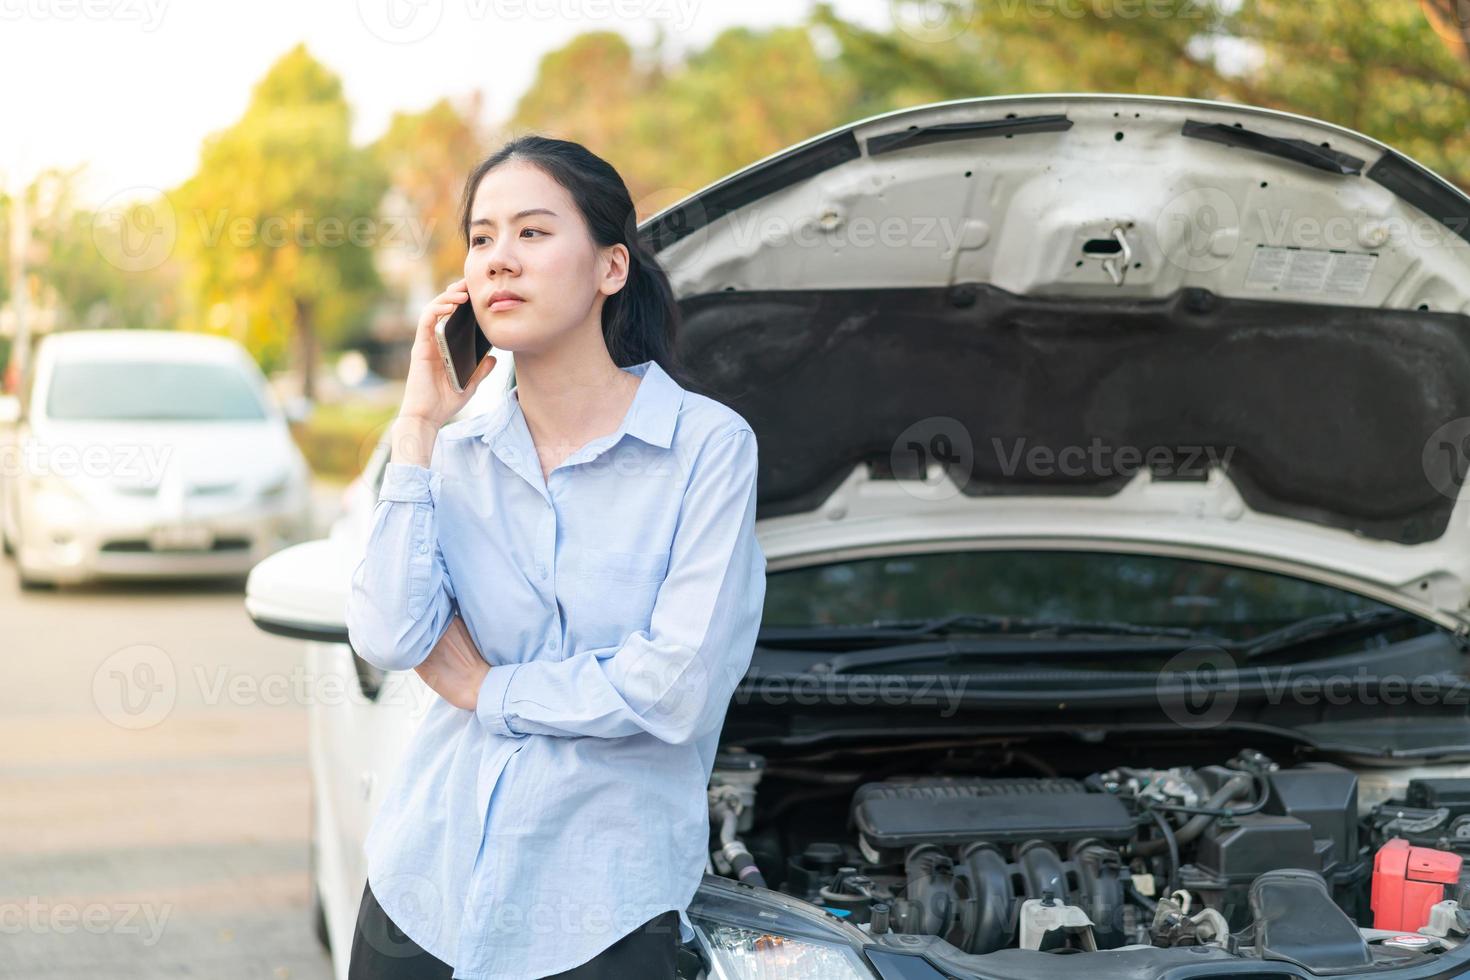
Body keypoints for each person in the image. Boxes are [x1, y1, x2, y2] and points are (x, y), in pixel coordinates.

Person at [343, 134, 767, 980]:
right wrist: (418, 427)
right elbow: (388, 634)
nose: (500, 260)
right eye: (482, 237)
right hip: (423, 890)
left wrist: (486, 689)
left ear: (611, 268)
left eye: (533, 234)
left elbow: (675, 686)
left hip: (602, 913)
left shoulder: (706, 448)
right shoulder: (453, 458)